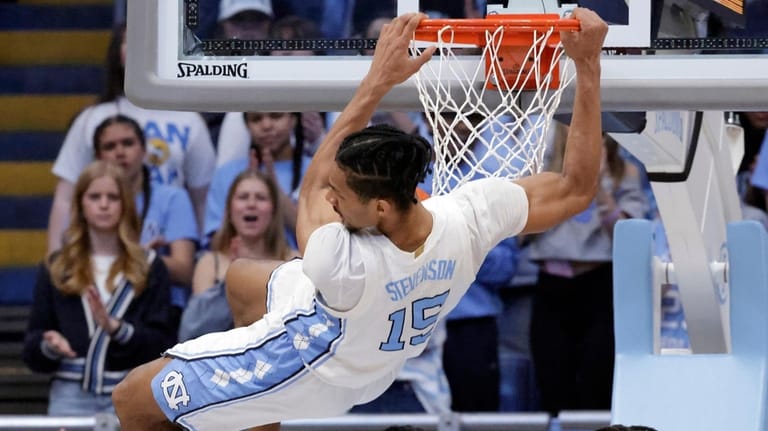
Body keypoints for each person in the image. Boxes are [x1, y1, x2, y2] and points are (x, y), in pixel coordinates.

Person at [112, 10, 608, 430]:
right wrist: (587, 65)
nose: (330, 195)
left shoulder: (342, 261)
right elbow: (576, 187)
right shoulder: (467, 215)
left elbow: (310, 186)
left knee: (131, 399)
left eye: (340, 194)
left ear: (380, 208)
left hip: (310, 366)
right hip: (377, 359)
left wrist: (378, 81)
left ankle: (254, 396)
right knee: (242, 280)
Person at [22, 161, 179, 416]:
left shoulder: (150, 267)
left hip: (132, 392)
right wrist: (50, 345)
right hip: (69, 396)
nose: (104, 204)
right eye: (95, 196)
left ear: (125, 204)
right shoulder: (57, 267)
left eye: (113, 197)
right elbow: (31, 350)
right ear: (81, 205)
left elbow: (164, 345)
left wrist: (118, 330)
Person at [47, 24, 215, 255]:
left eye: (150, 43)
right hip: (98, 248)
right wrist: (55, 257)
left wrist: (204, 256)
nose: (141, 49)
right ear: (118, 52)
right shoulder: (92, 118)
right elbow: (65, 198)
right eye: (131, 41)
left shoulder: (189, 120)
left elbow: (202, 199)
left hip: (167, 245)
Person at [527, 130, 649, 416]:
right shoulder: (543, 175)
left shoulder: (625, 173)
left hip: (599, 284)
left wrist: (601, 186)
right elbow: (522, 233)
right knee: (553, 383)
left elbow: (626, 240)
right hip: (551, 285)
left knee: (597, 381)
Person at [178, 169, 298, 341]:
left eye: (261, 198)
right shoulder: (211, 263)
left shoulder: (293, 261)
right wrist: (231, 278)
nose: (251, 204)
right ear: (230, 211)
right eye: (243, 197)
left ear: (273, 212)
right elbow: (194, 330)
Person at [93, 115, 199, 288]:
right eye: (110, 146)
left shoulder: (172, 198)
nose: (120, 152)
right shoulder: (91, 202)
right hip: (105, 298)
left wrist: (139, 257)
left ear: (144, 150)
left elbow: (185, 271)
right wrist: (142, 256)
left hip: (163, 306)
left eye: (128, 143)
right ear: (98, 156)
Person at [204, 112, 312, 247]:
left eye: (276, 116)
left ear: (294, 119)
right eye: (256, 119)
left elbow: (315, 239)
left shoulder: (315, 171)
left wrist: (273, 189)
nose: (266, 126)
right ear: (246, 125)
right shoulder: (226, 174)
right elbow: (216, 244)